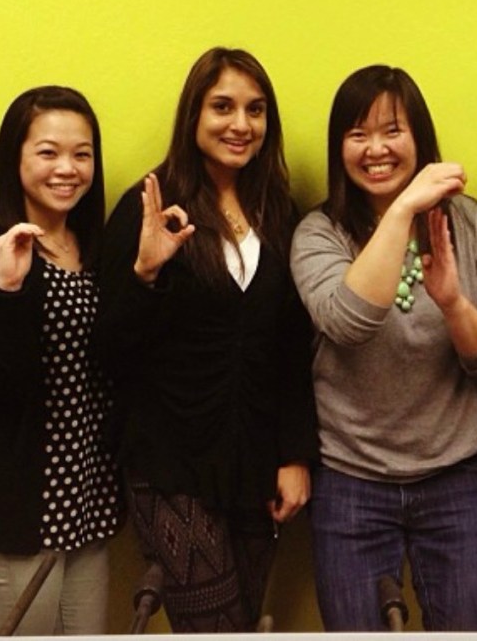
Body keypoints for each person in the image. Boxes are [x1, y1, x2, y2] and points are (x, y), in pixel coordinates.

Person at [290, 65, 477, 631]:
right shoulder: (319, 233)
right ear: (339, 147)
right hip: (351, 479)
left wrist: (454, 304)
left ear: (419, 137)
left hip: (456, 476)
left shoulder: (474, 225)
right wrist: (401, 210)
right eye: (358, 134)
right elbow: (347, 322)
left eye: (392, 131)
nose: (376, 150)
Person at [94, 47, 317, 633]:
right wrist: (145, 275)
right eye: (222, 107)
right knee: (215, 630)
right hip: (170, 465)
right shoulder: (150, 207)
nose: (240, 124)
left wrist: (295, 454)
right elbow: (109, 353)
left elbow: (292, 349)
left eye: (255, 110)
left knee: (243, 623)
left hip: (255, 466)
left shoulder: (279, 211)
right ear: (193, 113)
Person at [0, 86, 122, 634]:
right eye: (48, 152)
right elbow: (1, 387)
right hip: (14, 505)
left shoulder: (95, 247)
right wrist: (11, 291)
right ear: (14, 160)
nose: (68, 168)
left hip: (86, 497)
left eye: (82, 154)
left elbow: (120, 362)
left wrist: (144, 277)